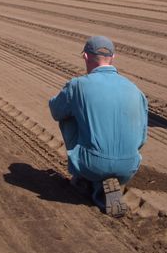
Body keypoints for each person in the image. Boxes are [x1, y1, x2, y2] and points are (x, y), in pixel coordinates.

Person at [49, 36, 148, 218]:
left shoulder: (78, 85)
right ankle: (108, 182)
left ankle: (86, 179)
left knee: (68, 117)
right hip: (129, 166)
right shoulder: (136, 90)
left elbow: (56, 111)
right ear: (113, 57)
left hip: (92, 163)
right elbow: (142, 137)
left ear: (86, 57)